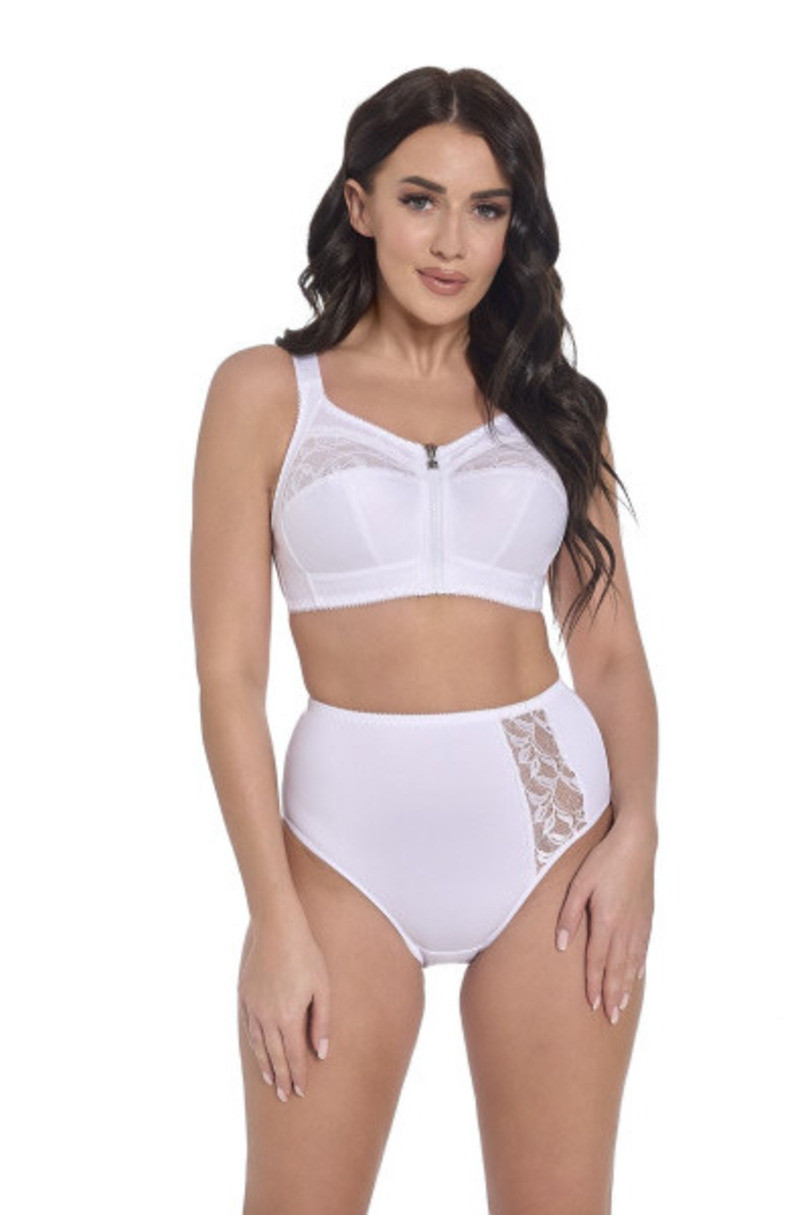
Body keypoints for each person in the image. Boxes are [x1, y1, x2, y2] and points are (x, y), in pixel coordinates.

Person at [191, 65, 658, 1215]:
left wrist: (638, 834)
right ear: (359, 205)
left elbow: (607, 654)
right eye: (420, 200)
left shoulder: (558, 409)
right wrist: (272, 915)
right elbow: (230, 675)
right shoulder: (266, 392)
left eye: (486, 208)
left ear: (514, 226)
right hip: (343, 850)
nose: (452, 242)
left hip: (553, 838)